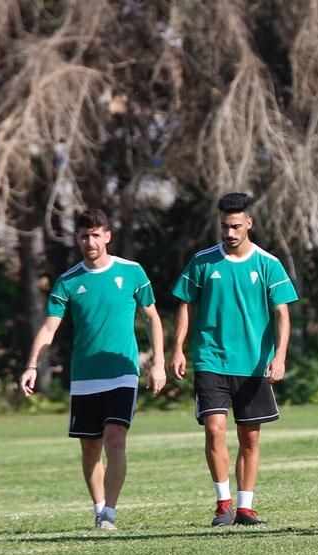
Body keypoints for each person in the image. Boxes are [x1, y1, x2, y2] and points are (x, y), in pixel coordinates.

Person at [20, 209, 166, 531]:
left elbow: (152, 317)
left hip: (123, 372)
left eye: (96, 235)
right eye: (85, 236)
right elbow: (48, 329)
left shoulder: (132, 272)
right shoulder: (69, 281)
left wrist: (159, 362)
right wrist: (32, 365)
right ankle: (99, 508)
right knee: (90, 449)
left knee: (115, 440)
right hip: (85, 376)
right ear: (78, 239)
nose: (90, 241)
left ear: (107, 236)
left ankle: (110, 514)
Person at [171, 192, 298, 527]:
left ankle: (245, 506)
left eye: (236, 226)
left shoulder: (268, 264)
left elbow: (282, 314)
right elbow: (185, 303)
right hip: (210, 359)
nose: (229, 233)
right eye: (225, 226)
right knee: (214, 430)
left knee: (250, 437)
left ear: (249, 224)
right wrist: (178, 348)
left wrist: (280, 356)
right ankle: (223, 502)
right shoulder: (203, 261)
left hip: (254, 364)